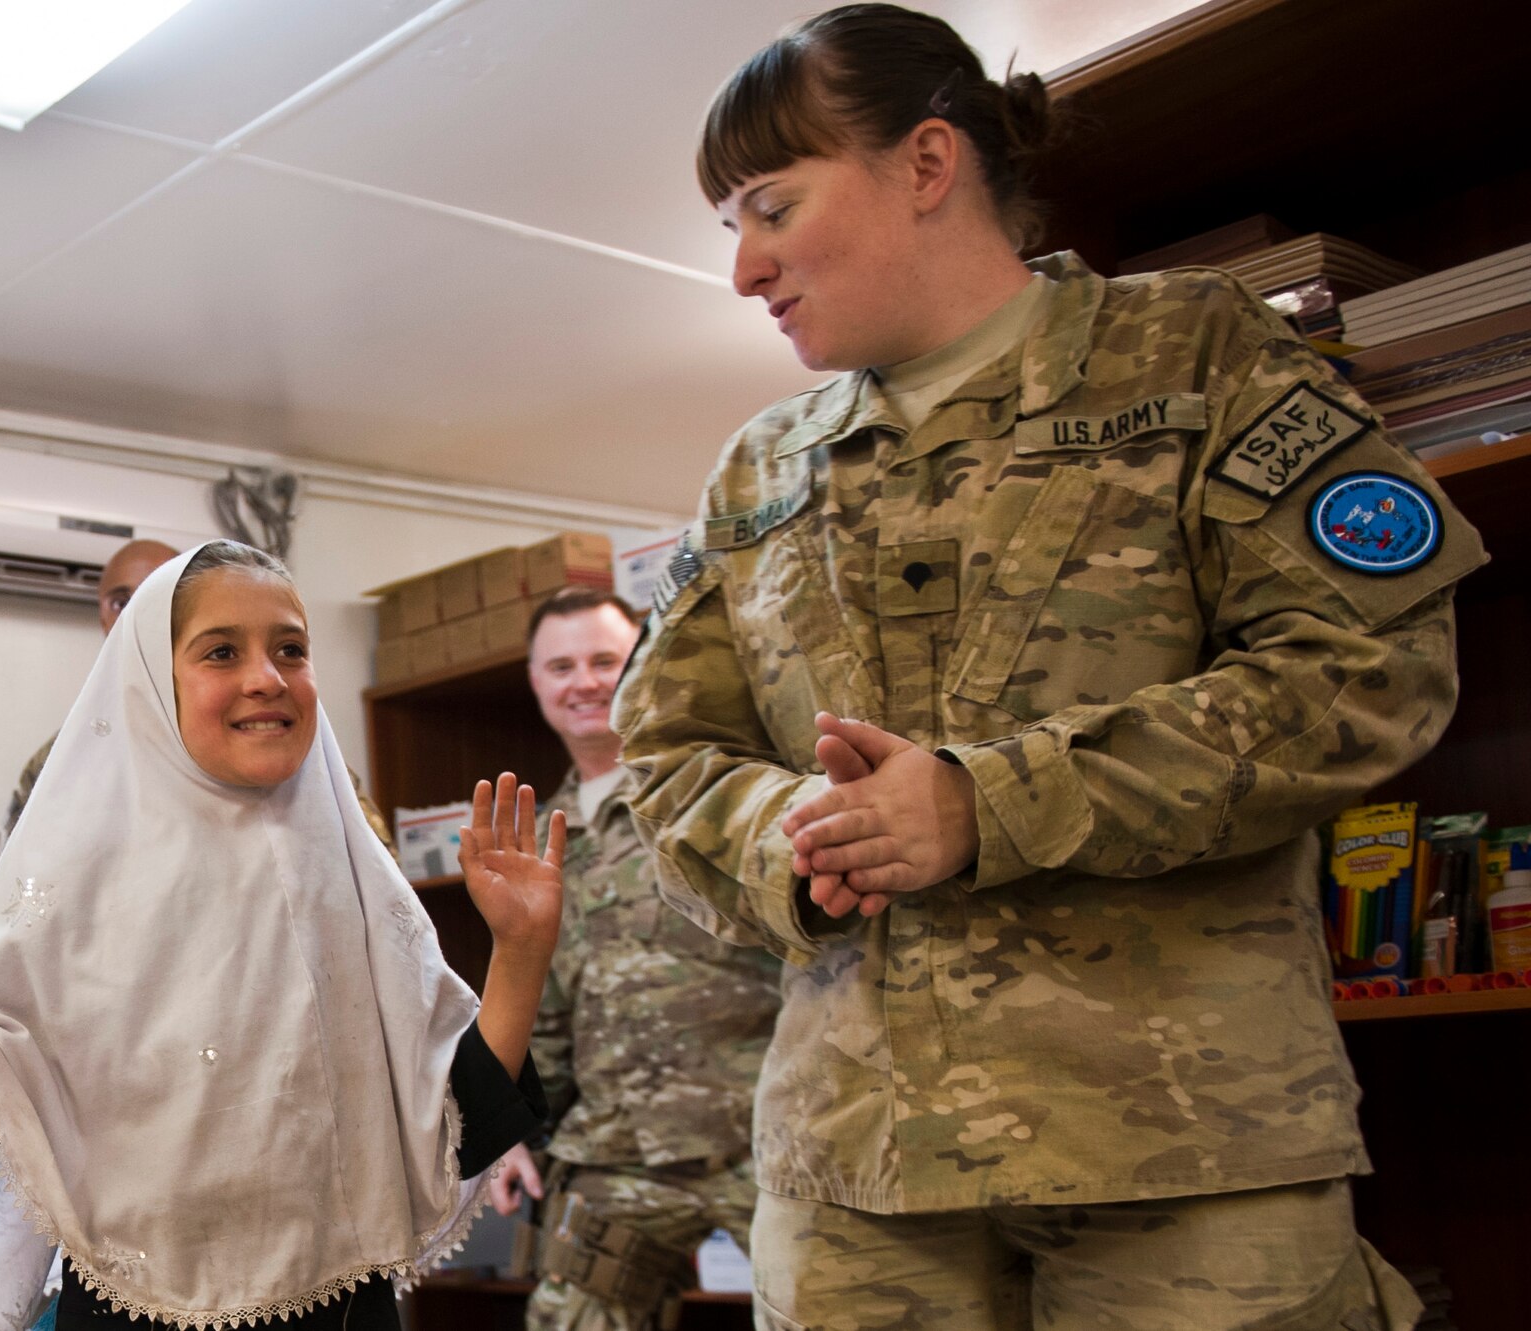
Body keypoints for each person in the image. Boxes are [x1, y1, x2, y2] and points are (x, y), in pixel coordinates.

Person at [611, 6, 1484, 1329]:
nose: (745, 269)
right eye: (733, 225)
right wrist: (797, 831)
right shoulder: (757, 469)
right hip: (861, 1172)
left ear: (926, 163)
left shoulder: (1200, 351)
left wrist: (987, 799)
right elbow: (667, 754)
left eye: (772, 207)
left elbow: (1365, 666)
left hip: (1183, 1153)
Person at [0, 541, 565, 1330]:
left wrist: (521, 951)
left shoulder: (352, 871)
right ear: (152, 682)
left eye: (291, 649)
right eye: (222, 651)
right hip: (140, 1309)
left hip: (341, 1308)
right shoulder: (74, 873)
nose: (266, 676)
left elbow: (457, 1126)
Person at [486, 586, 780, 1330]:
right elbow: (544, 1005)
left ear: (642, 664)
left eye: (604, 660)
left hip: (763, 1137)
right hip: (618, 1151)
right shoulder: (541, 833)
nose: (583, 681)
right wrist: (509, 1129)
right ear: (536, 681)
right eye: (561, 665)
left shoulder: (711, 793)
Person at [0, 539, 391, 910]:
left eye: (291, 649)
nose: (266, 679)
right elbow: (5, 907)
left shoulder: (316, 767)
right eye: (122, 602)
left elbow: (387, 894)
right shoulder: (66, 763)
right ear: (103, 615)